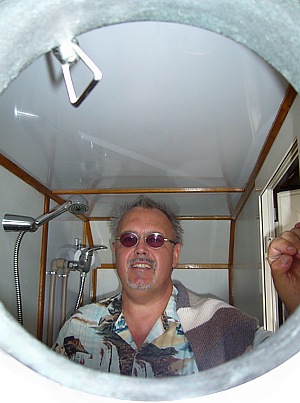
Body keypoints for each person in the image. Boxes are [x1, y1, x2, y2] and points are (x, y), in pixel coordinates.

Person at [53, 196, 300, 377]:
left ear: (175, 255)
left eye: (155, 240)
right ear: (116, 250)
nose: (140, 249)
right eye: (129, 239)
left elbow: (287, 370)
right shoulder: (78, 326)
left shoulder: (220, 322)